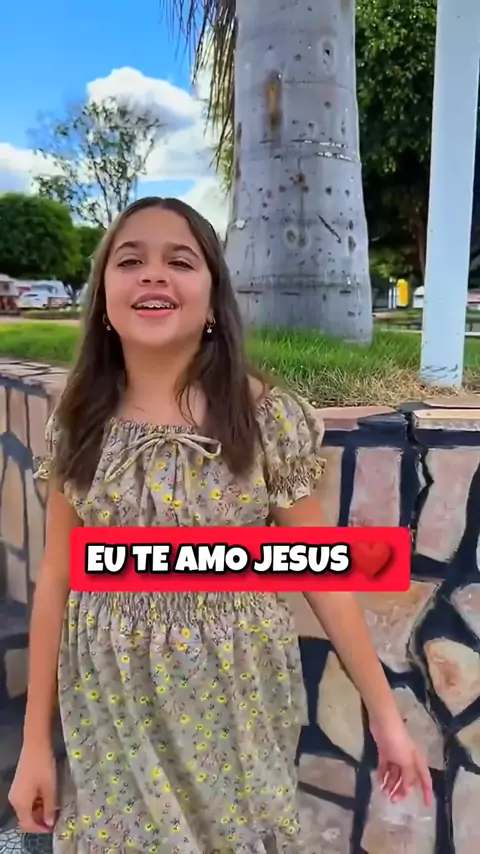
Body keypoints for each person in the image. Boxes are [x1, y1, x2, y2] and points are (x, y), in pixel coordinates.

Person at [9, 197, 432, 853]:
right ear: (103, 300)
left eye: (180, 261)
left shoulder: (263, 418)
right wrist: (35, 745)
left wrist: (385, 715)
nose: (153, 274)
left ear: (213, 300)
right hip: (112, 696)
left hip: (236, 688)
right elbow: (57, 577)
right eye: (130, 261)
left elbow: (320, 570)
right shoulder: (78, 421)